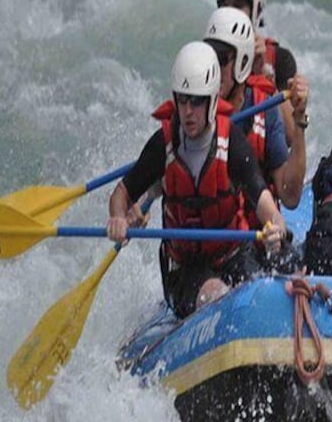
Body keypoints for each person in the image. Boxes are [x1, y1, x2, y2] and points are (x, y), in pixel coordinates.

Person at [106, 41, 287, 318]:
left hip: (233, 256)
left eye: (197, 101)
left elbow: (265, 203)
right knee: (217, 294)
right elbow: (121, 193)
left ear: (213, 100)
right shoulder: (162, 146)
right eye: (182, 100)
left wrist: (275, 228)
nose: (188, 111)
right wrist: (118, 217)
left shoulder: (233, 144)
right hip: (185, 270)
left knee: (263, 295)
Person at [203, 6, 308, 217]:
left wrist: (299, 123)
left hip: (252, 241)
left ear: (242, 61)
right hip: (202, 243)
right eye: (210, 58)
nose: (214, 68)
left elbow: (289, 196)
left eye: (222, 60)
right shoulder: (191, 107)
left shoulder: (265, 109)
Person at [216, 0, 302, 145]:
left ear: (256, 10)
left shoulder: (279, 59)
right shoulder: (208, 58)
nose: (231, 13)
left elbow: (291, 139)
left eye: (239, 6)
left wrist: (263, 73)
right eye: (225, 6)